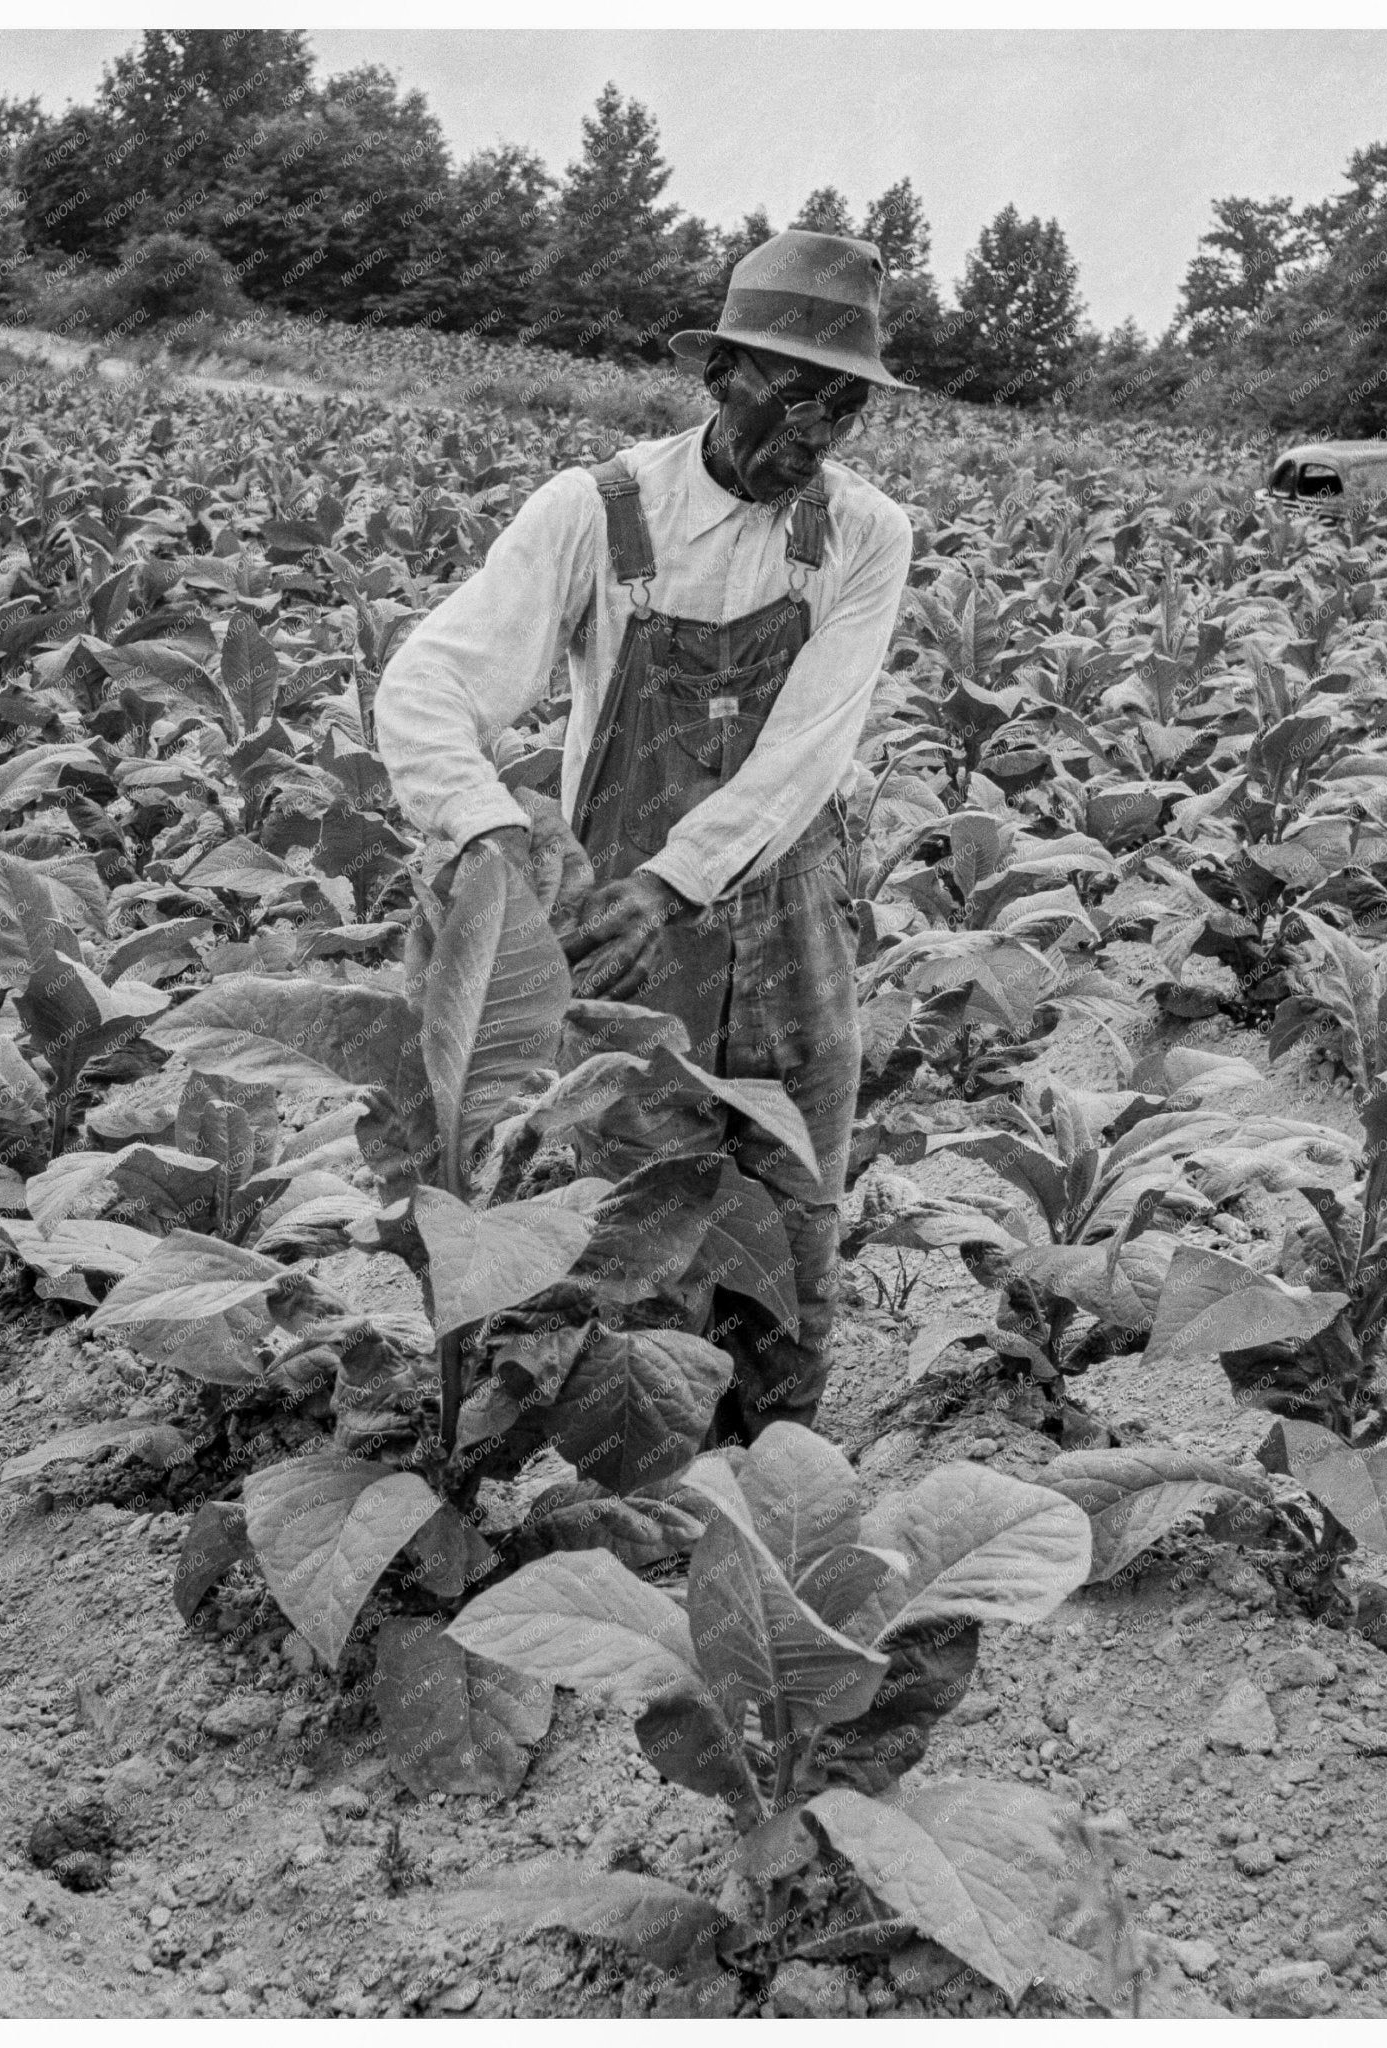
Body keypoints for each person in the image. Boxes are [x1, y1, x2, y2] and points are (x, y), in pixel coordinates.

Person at [376, 229, 915, 1444]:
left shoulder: (864, 534)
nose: (817, 432)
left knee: (792, 1202)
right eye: (793, 391)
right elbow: (425, 688)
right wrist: (487, 835)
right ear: (719, 371)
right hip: (623, 927)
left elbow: (807, 750)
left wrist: (678, 881)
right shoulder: (597, 513)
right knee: (636, 1208)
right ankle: (650, 1499)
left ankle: (776, 1475)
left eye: (844, 404)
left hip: (789, 910)